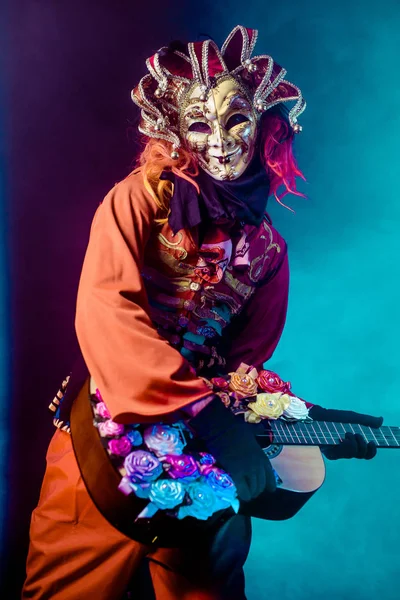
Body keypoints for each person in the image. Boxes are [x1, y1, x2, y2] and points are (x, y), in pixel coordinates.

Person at [22, 25, 383, 600]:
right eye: (198, 123)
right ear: (176, 129)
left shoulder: (269, 249)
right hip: (105, 438)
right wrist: (204, 414)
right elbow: (107, 312)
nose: (217, 140)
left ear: (264, 124)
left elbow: (240, 372)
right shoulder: (140, 197)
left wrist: (309, 420)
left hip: (209, 464)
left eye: (235, 120)